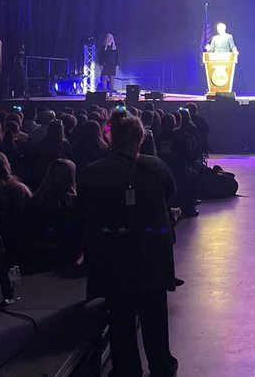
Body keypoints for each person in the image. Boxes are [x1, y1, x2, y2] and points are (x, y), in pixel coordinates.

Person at [77, 114, 179, 377]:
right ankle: (161, 364)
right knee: (154, 312)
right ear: (140, 138)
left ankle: (127, 370)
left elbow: (84, 212)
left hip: (114, 254)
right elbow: (171, 194)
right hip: (152, 253)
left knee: (120, 315)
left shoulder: (93, 171)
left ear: (110, 137)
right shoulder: (156, 166)